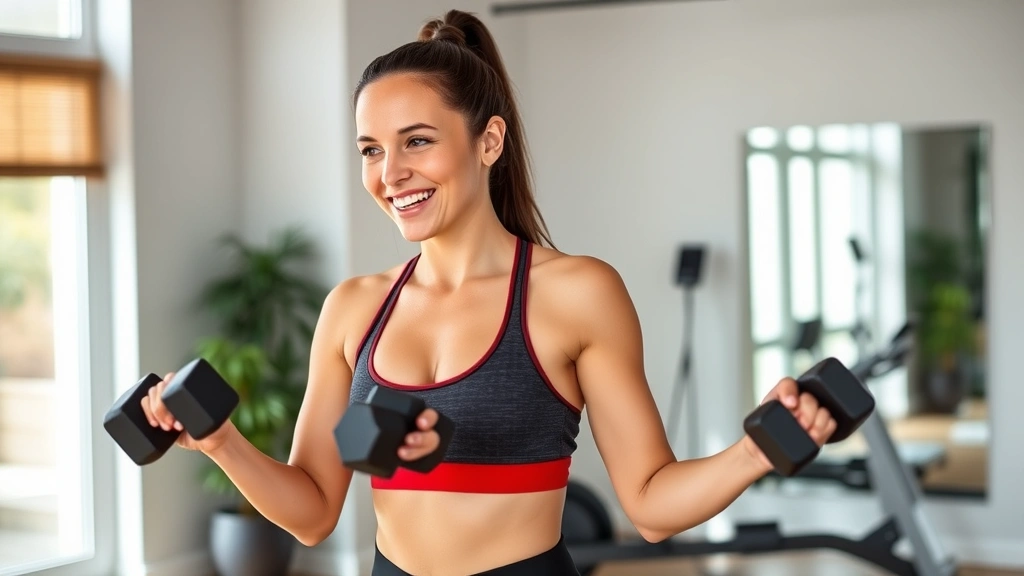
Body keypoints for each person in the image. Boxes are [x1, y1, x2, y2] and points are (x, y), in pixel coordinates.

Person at [142, 9, 838, 576]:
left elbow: (651, 504)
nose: (390, 174)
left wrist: (755, 452)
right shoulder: (353, 308)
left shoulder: (574, 293)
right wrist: (221, 442)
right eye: (371, 149)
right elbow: (317, 509)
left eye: (416, 142)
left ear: (488, 140)